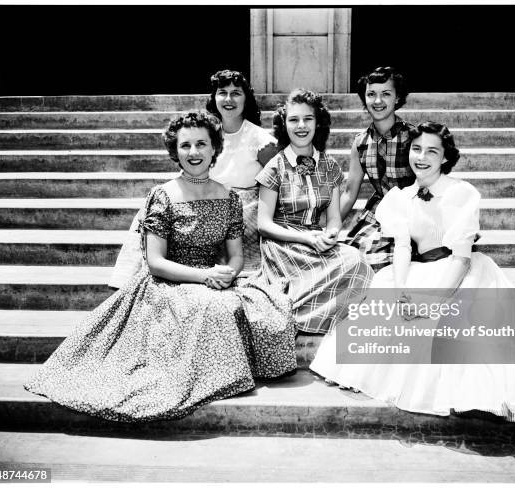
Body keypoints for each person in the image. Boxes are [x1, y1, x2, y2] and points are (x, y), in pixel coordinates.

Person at [25, 112, 297, 422]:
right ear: (175, 151)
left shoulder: (229, 197)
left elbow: (235, 255)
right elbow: (155, 263)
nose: (193, 153)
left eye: (201, 144)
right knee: (209, 307)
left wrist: (229, 272)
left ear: (214, 149)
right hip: (168, 283)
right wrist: (205, 276)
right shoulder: (163, 196)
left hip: (212, 278)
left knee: (268, 306)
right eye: (185, 146)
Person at [311, 122, 515, 421]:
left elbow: (461, 259)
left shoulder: (461, 193)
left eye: (431, 151)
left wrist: (434, 299)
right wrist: (401, 290)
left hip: (458, 273)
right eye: (416, 149)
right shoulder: (398, 198)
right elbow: (402, 247)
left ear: (444, 157)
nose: (422, 157)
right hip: (414, 269)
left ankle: (479, 396)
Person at [109, 69, 278, 288]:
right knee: (149, 210)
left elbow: (276, 183)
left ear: (246, 98)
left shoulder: (261, 139)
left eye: (236, 93)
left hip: (241, 205)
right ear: (214, 98)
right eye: (222, 92)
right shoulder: (205, 132)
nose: (228, 99)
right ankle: (125, 280)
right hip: (199, 192)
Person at [253, 88, 374, 335]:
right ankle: (290, 312)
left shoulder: (329, 167)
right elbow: (264, 225)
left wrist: (329, 235)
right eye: (294, 119)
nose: (301, 126)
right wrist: (306, 237)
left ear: (317, 123)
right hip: (283, 245)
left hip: (317, 242)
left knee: (357, 261)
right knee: (292, 286)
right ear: (284, 124)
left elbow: (334, 219)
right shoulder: (275, 166)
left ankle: (312, 315)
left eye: (308, 119)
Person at [341, 67, 416, 271]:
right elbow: (349, 193)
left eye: (386, 94)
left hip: (412, 210)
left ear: (397, 97)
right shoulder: (360, 142)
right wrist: (331, 226)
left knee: (390, 261)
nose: (378, 101)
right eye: (371, 94)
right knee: (352, 260)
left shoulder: (413, 137)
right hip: (378, 212)